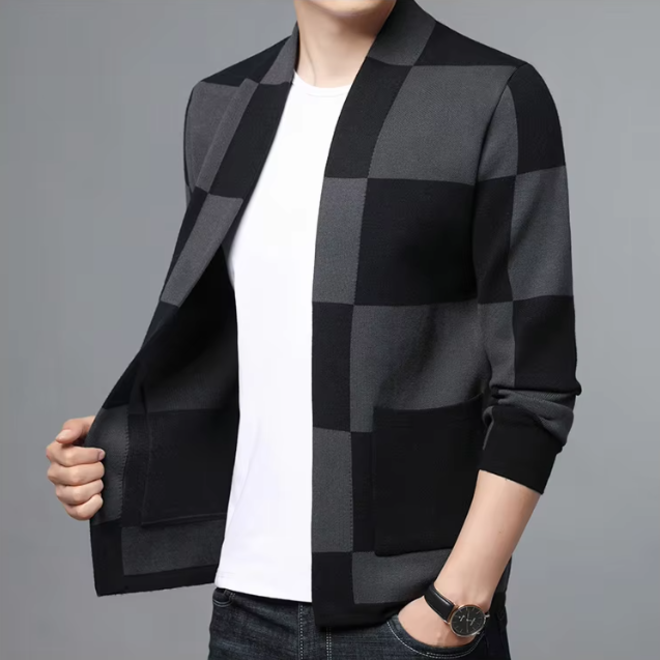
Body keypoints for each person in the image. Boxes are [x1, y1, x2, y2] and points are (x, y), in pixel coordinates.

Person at [45, 0, 581, 658]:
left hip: (414, 616)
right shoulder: (223, 105)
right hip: (246, 612)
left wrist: (457, 606)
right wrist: (123, 446)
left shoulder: (493, 95)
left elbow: (536, 389)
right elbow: (253, 350)